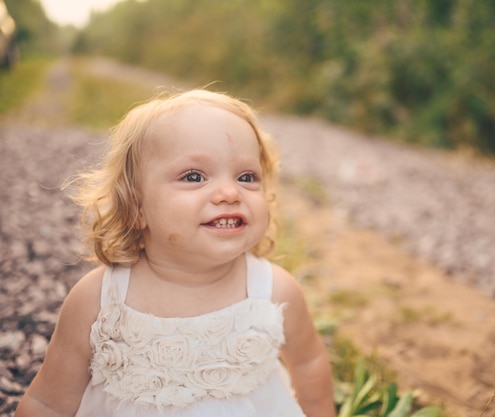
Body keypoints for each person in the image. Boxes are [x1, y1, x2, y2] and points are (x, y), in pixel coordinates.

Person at [15, 89, 336, 417]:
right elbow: (48, 403)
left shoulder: (273, 291)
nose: (230, 192)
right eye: (194, 176)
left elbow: (309, 362)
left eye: (247, 177)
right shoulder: (100, 299)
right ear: (136, 207)